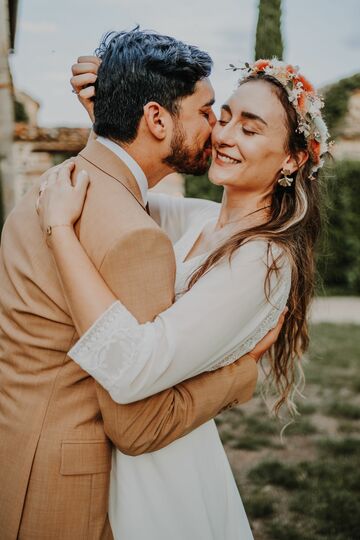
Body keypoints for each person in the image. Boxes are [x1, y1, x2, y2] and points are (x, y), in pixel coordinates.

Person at [35, 46, 329, 539]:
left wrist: (59, 232)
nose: (224, 135)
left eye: (251, 129)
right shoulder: (195, 219)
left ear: (294, 158)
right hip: (127, 451)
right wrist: (117, 110)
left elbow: (133, 371)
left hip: (164, 472)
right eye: (225, 115)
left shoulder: (263, 261)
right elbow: (122, 181)